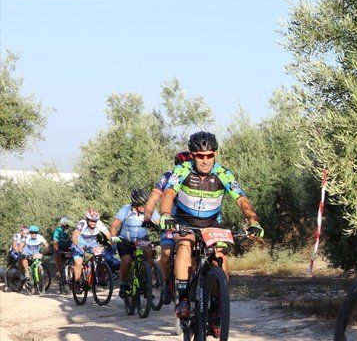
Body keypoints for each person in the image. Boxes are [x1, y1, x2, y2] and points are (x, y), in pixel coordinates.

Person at [159, 131, 263, 318]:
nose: (205, 160)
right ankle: (183, 299)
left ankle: (217, 304)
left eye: (209, 155)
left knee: (220, 255)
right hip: (185, 221)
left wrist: (253, 221)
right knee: (184, 245)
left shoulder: (223, 174)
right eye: (200, 156)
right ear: (192, 156)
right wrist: (166, 215)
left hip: (212, 223)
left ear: (215, 154)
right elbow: (168, 194)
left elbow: (241, 200)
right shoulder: (182, 170)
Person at [144, 151, 191, 303]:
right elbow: (153, 198)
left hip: (191, 221)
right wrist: (147, 217)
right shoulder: (168, 176)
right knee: (166, 253)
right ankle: (167, 284)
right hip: (171, 220)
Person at [110, 188, 160, 298]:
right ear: (134, 203)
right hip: (125, 240)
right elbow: (114, 225)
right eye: (140, 204)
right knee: (127, 261)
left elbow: (159, 223)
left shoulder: (150, 209)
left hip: (142, 240)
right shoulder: (126, 210)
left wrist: (164, 231)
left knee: (149, 253)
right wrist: (113, 239)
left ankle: (146, 283)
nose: (143, 206)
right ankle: (123, 284)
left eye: (145, 204)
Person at [70, 208, 110, 293]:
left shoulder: (99, 224)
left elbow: (108, 234)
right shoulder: (82, 223)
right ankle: (76, 283)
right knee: (78, 263)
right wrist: (78, 245)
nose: (93, 223)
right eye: (91, 221)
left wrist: (112, 242)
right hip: (79, 243)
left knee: (102, 258)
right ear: (87, 220)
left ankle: (100, 279)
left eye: (95, 221)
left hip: (92, 244)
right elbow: (74, 236)